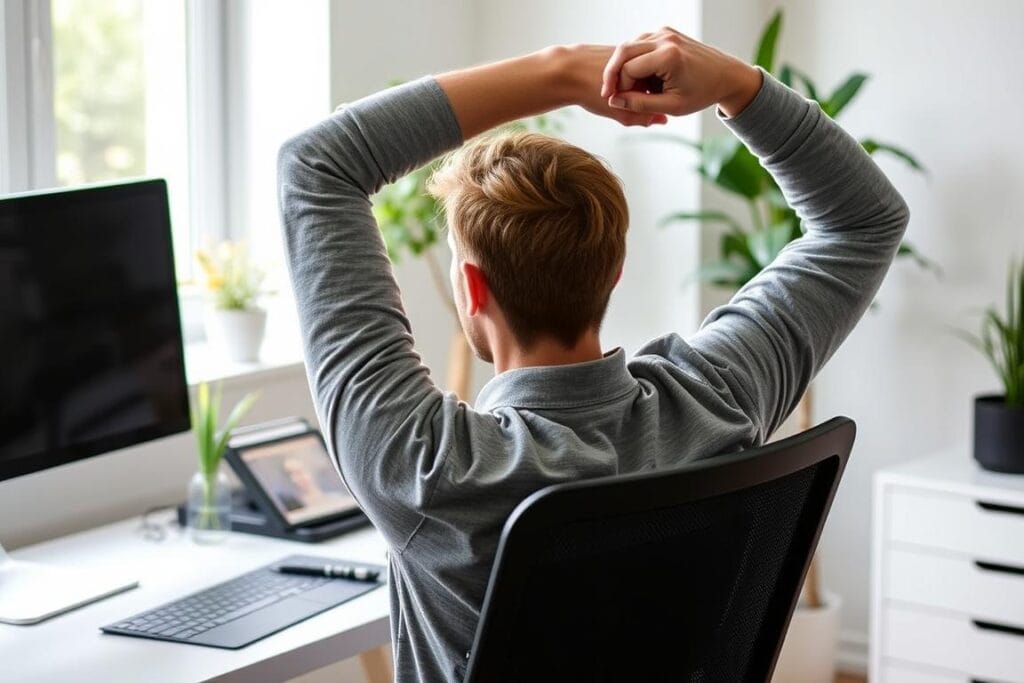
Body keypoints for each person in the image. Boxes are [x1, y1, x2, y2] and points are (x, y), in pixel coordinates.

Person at [278, 27, 908, 682]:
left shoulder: (428, 468)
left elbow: (317, 165)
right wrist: (734, 85)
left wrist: (563, 72)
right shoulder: (714, 399)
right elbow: (863, 220)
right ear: (613, 272)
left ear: (471, 289)